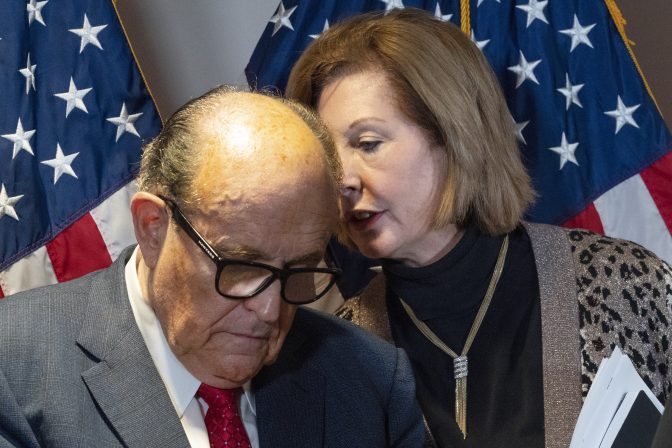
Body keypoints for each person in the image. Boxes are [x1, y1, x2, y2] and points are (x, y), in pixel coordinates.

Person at [286, 8, 672, 448]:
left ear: (454, 136)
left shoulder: (625, 284)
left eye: (368, 144)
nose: (343, 179)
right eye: (329, 156)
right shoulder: (341, 354)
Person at [0, 86, 425, 447]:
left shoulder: (369, 379)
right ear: (153, 229)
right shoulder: (13, 366)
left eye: (299, 270)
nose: (270, 311)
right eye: (241, 267)